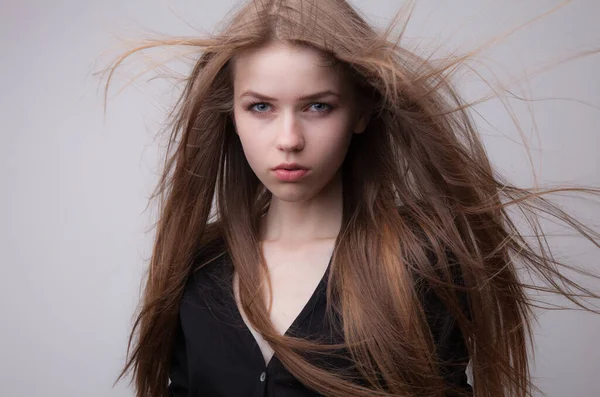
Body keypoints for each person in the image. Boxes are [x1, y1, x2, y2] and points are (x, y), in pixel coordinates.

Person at [105, 1, 600, 396]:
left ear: (361, 111)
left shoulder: (418, 263)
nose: (289, 138)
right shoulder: (196, 268)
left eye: (318, 106)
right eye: (260, 107)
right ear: (230, 114)